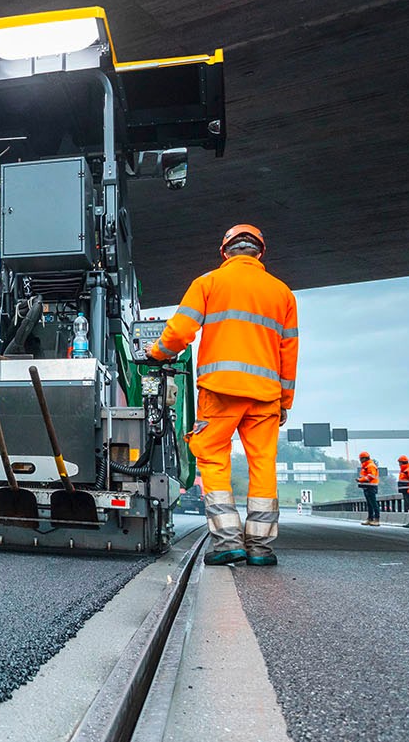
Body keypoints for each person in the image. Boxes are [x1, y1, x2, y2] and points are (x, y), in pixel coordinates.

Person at [144, 224, 298, 567]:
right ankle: (260, 546)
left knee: (213, 458)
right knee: (262, 465)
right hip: (265, 395)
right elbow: (289, 353)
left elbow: (180, 331)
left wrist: (157, 352)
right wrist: (285, 401)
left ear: (224, 252)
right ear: (260, 253)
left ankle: (228, 540)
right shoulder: (283, 293)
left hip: (219, 391)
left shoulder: (208, 283)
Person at [357, 452, 381, 526]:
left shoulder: (370, 466)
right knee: (369, 504)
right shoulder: (365, 466)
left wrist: (360, 480)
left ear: (364, 458)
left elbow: (371, 476)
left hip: (371, 487)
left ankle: (376, 519)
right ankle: (370, 518)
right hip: (367, 487)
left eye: (361, 459)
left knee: (374, 503)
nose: (360, 460)